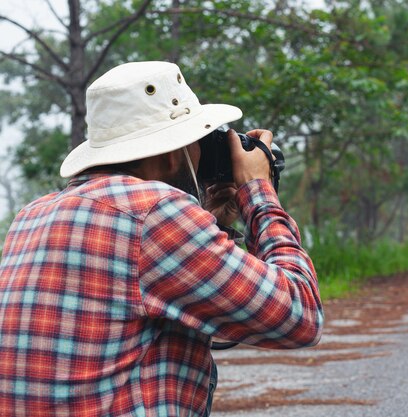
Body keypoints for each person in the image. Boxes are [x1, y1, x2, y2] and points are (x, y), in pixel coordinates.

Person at [0, 61, 323, 416]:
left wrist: (213, 223)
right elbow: (300, 315)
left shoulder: (32, 215)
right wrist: (258, 191)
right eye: (198, 141)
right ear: (173, 155)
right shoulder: (155, 212)